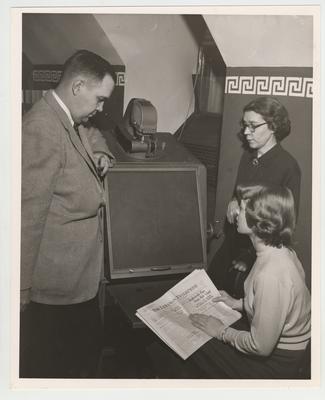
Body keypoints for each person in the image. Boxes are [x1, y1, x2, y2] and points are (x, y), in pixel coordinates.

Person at [148, 184, 310, 379]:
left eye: (241, 209)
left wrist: (221, 332)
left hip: (277, 362)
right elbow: (280, 305)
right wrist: (238, 304)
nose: (235, 212)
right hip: (277, 345)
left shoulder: (271, 275)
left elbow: (261, 347)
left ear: (258, 221)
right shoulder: (279, 251)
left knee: (190, 336)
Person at [20, 49, 116, 378]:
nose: (101, 109)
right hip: (54, 292)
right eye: (99, 100)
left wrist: (101, 153)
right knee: (61, 371)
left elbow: (89, 132)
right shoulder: (41, 130)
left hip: (79, 279)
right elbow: (25, 219)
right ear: (77, 87)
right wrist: (19, 293)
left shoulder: (68, 116)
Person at [209, 96, 301, 295]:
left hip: (259, 253)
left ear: (273, 126)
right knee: (210, 286)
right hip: (233, 241)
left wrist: (250, 257)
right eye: (245, 125)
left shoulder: (288, 167)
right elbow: (243, 192)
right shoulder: (248, 156)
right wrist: (234, 200)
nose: (246, 132)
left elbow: (286, 224)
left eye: (253, 126)